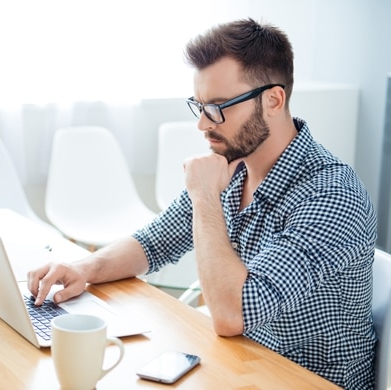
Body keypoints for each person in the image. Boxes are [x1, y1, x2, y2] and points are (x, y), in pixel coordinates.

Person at [27, 18, 377, 389]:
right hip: (240, 366)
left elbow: (232, 314)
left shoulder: (332, 195)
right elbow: (154, 242)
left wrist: (205, 197)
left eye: (220, 107)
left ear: (274, 100)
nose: (203, 125)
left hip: (301, 381)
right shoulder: (231, 165)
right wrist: (84, 268)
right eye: (201, 106)